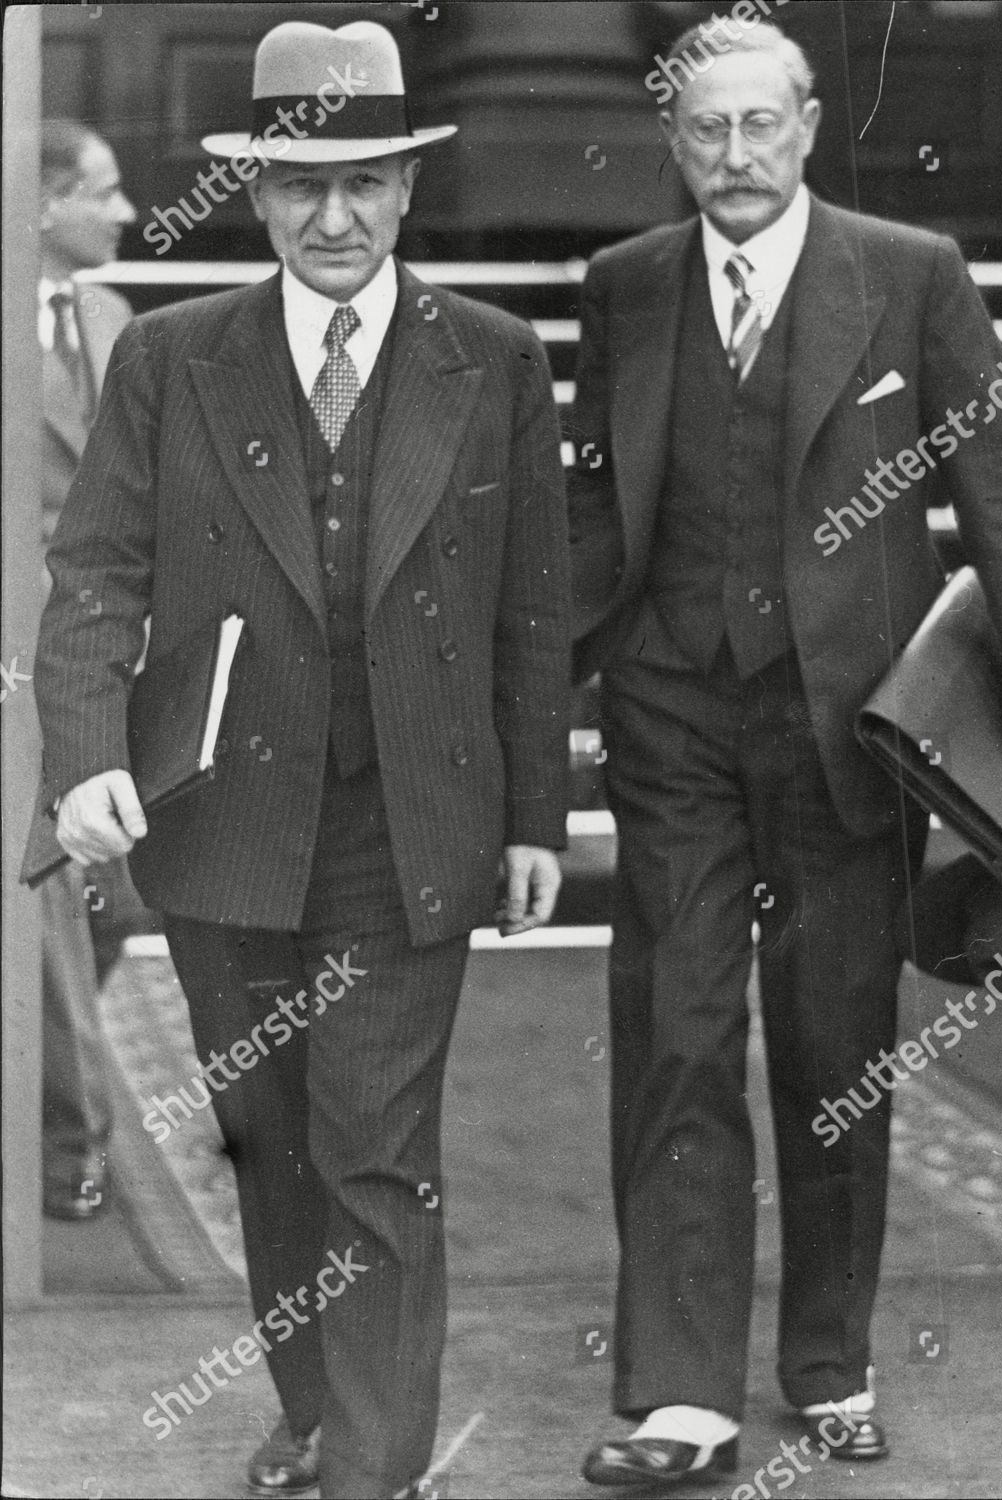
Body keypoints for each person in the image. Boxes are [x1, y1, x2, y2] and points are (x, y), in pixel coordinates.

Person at [34, 22, 570, 1499]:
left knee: (377, 1156)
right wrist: (82, 759)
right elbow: (91, 579)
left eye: (364, 184)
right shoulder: (166, 359)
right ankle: (319, 1407)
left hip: (417, 827)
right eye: (299, 187)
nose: (333, 220)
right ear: (257, 195)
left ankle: (377, 1471)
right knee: (269, 1147)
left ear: (407, 186)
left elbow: (534, 607)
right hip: (229, 829)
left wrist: (537, 809)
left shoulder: (496, 362)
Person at [568, 20, 1002, 1488]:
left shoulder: (911, 273)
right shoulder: (622, 289)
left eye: (759, 126)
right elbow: (594, 514)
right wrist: (532, 695)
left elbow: (1001, 500)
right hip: (671, 719)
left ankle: (829, 1364)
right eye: (702, 132)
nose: (733, 159)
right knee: (672, 1040)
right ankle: (679, 1395)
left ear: (806, 124)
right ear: (670, 141)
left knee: (831, 1049)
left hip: (848, 733)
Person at [38, 118, 136, 1221]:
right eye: (102, 193)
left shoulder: (113, 320)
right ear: (40, 204)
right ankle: (73, 1150)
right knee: (54, 897)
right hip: (12, 665)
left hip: (111, 651)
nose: (121, 212)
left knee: (116, 899)